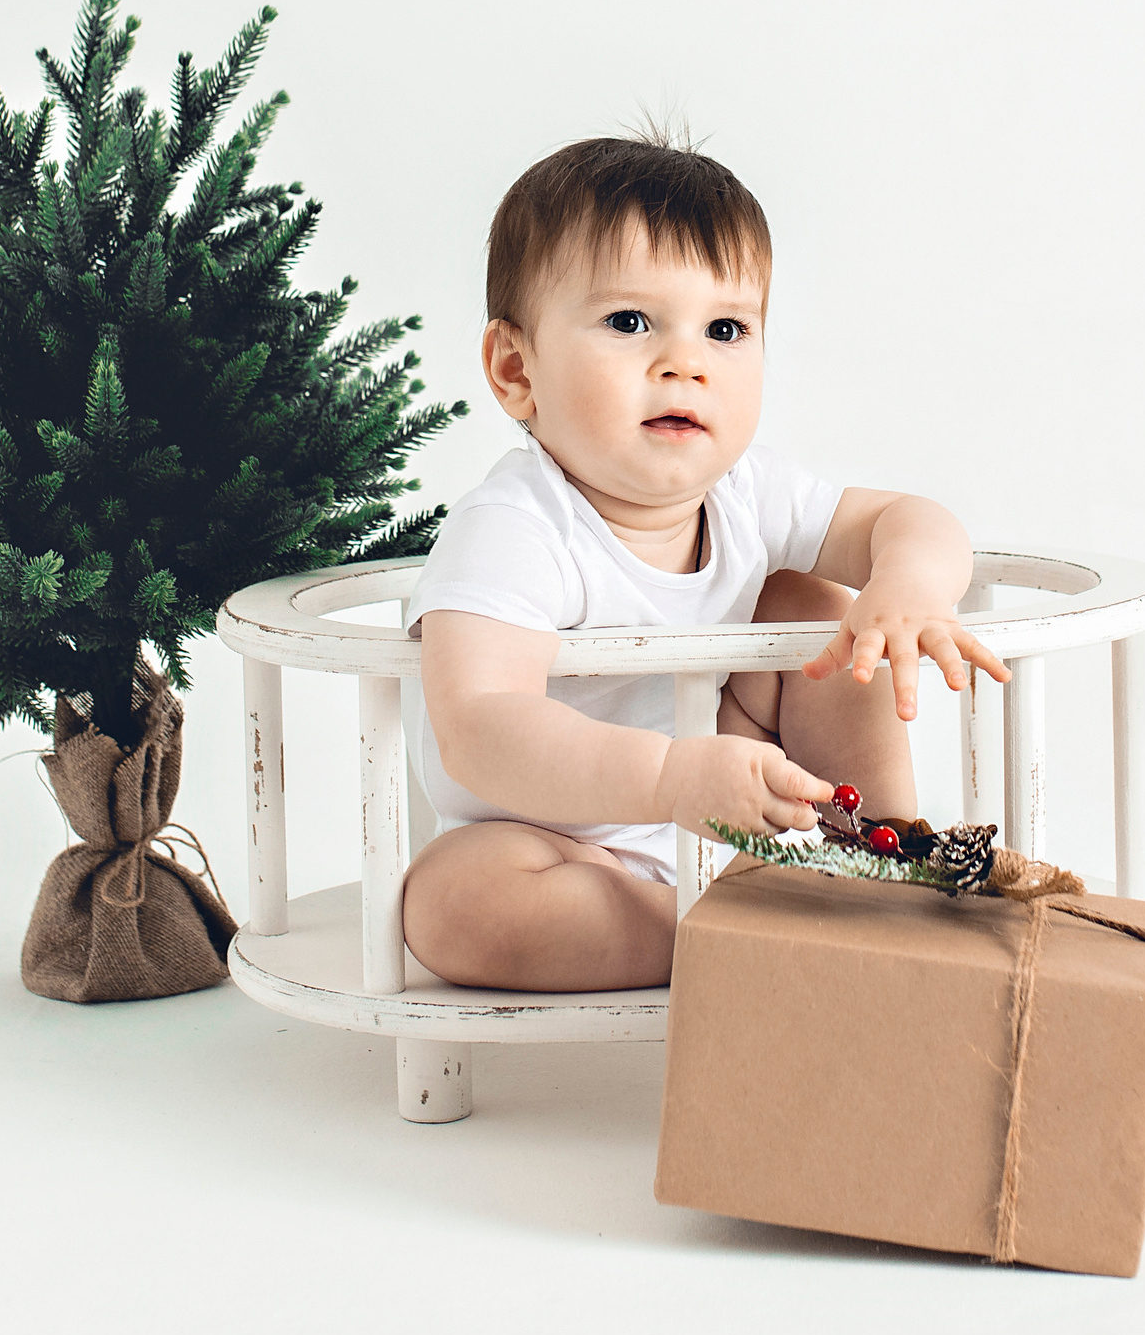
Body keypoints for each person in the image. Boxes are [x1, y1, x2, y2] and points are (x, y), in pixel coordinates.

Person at [401, 134, 1007, 992]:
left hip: (733, 814)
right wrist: (664, 777)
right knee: (453, 902)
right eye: (628, 322)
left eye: (725, 329)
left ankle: (880, 865)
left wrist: (908, 582)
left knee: (812, 603)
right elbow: (479, 724)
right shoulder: (513, 525)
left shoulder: (748, 492)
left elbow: (908, 519)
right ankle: (730, 938)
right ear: (515, 368)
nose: (683, 362)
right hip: (561, 847)